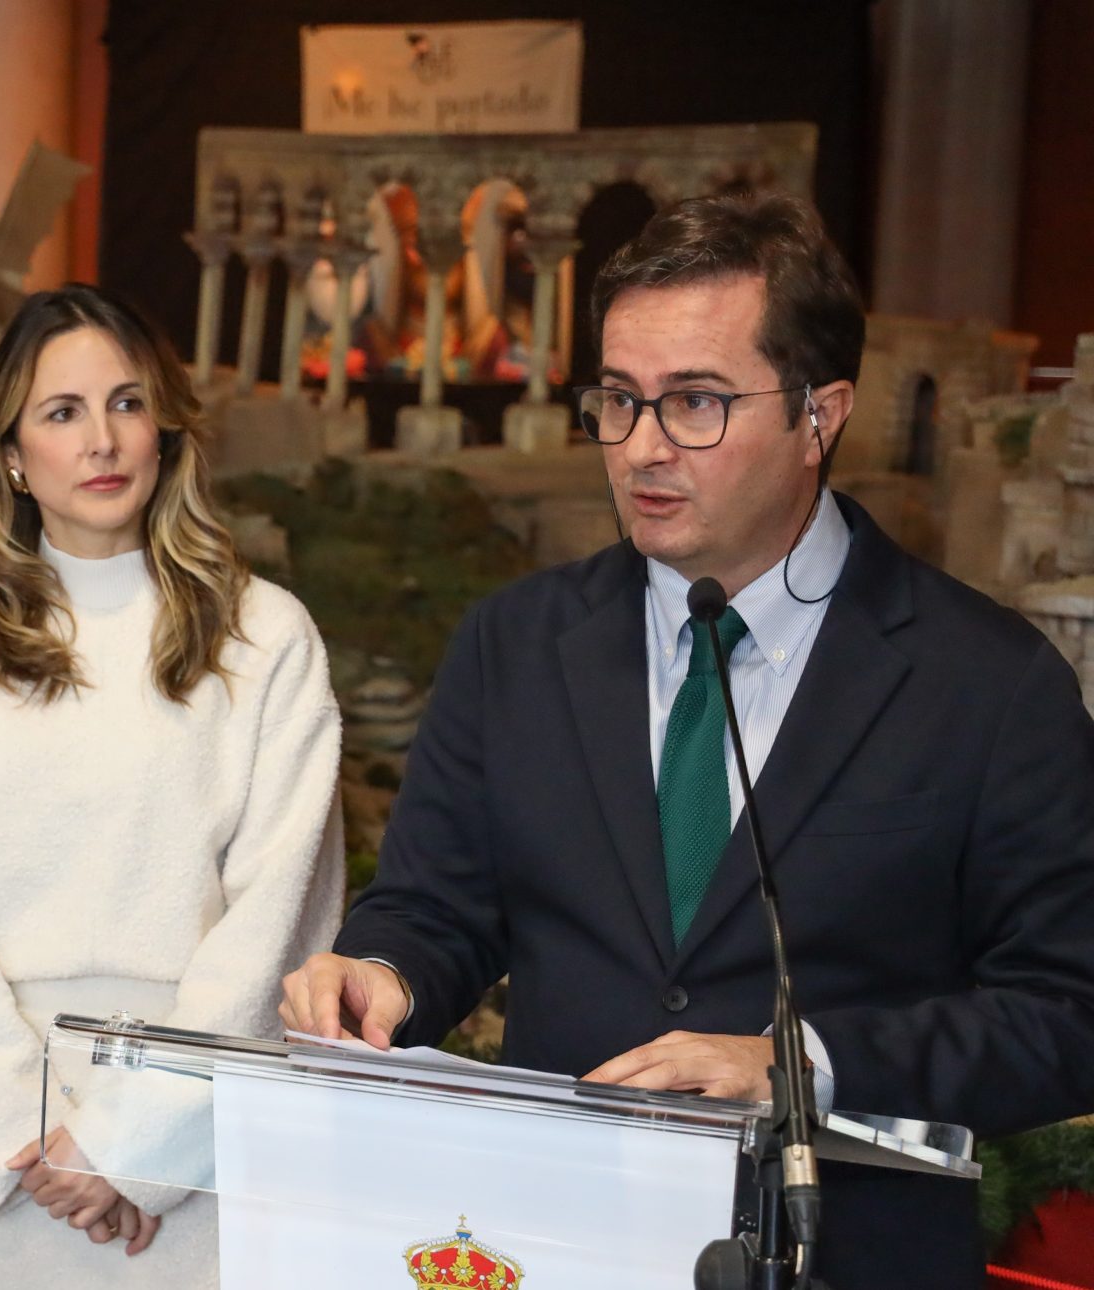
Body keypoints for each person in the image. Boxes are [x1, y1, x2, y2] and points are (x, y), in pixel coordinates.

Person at [280, 192, 1094, 1288]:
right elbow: (439, 904)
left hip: (848, 1253)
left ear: (822, 414)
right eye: (617, 400)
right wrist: (381, 973)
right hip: (557, 1244)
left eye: (695, 403)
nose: (641, 449)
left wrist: (798, 1067)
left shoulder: (987, 683)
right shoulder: (516, 644)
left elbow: (1065, 1013)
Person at [0, 283, 346, 1288]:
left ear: (165, 431)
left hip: (199, 1131)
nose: (102, 441)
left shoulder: (267, 640)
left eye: (126, 404)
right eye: (62, 412)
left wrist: (137, 1140)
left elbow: (279, 918)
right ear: (10, 453)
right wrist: (30, 1137)